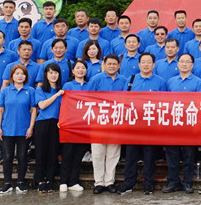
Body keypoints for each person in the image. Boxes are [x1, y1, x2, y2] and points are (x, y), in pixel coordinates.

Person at [118, 53, 168, 195]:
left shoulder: (160, 82)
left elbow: (164, 103)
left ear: (153, 65)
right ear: (139, 65)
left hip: (151, 124)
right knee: (131, 154)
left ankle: (148, 182)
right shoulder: (131, 80)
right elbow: (124, 100)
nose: (146, 65)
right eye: (143, 62)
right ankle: (129, 182)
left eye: (148, 62)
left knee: (149, 154)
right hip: (133, 123)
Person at [164, 53, 201, 194]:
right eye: (182, 61)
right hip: (173, 122)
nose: (184, 64)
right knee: (172, 154)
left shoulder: (199, 82)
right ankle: (173, 182)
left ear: (192, 65)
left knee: (189, 154)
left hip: (190, 123)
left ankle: (187, 182)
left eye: (187, 62)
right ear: (178, 64)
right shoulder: (171, 82)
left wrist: (198, 124)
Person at [87, 54, 128, 194]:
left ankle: (109, 181)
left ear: (118, 65)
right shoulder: (96, 79)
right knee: (98, 153)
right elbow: (88, 98)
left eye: (114, 64)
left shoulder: (123, 80)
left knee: (113, 153)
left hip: (116, 121)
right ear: (104, 64)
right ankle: (99, 182)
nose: (112, 66)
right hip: (98, 121)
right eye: (109, 64)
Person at [0, 64, 36, 194]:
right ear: (12, 76)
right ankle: (7, 183)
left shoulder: (30, 91)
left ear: (26, 76)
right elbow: (0, 110)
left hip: (24, 129)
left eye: (22, 74)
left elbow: (33, 110)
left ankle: (20, 182)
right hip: (7, 129)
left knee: (22, 156)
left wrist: (31, 127)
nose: (20, 76)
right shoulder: (5, 91)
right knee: (7, 156)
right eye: (17, 73)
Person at [59, 61, 90, 192]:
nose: (80, 70)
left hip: (83, 124)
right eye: (78, 68)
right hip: (70, 124)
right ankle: (63, 181)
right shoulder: (68, 85)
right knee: (68, 153)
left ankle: (74, 181)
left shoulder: (89, 85)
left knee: (78, 154)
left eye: (83, 68)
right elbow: (63, 104)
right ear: (73, 71)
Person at [34, 63, 64, 192]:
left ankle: (50, 180)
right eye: (51, 73)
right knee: (41, 152)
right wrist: (56, 95)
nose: (53, 75)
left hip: (56, 124)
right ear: (46, 75)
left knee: (53, 152)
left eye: (56, 72)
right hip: (43, 123)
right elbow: (42, 105)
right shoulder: (40, 89)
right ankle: (40, 180)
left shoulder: (62, 89)